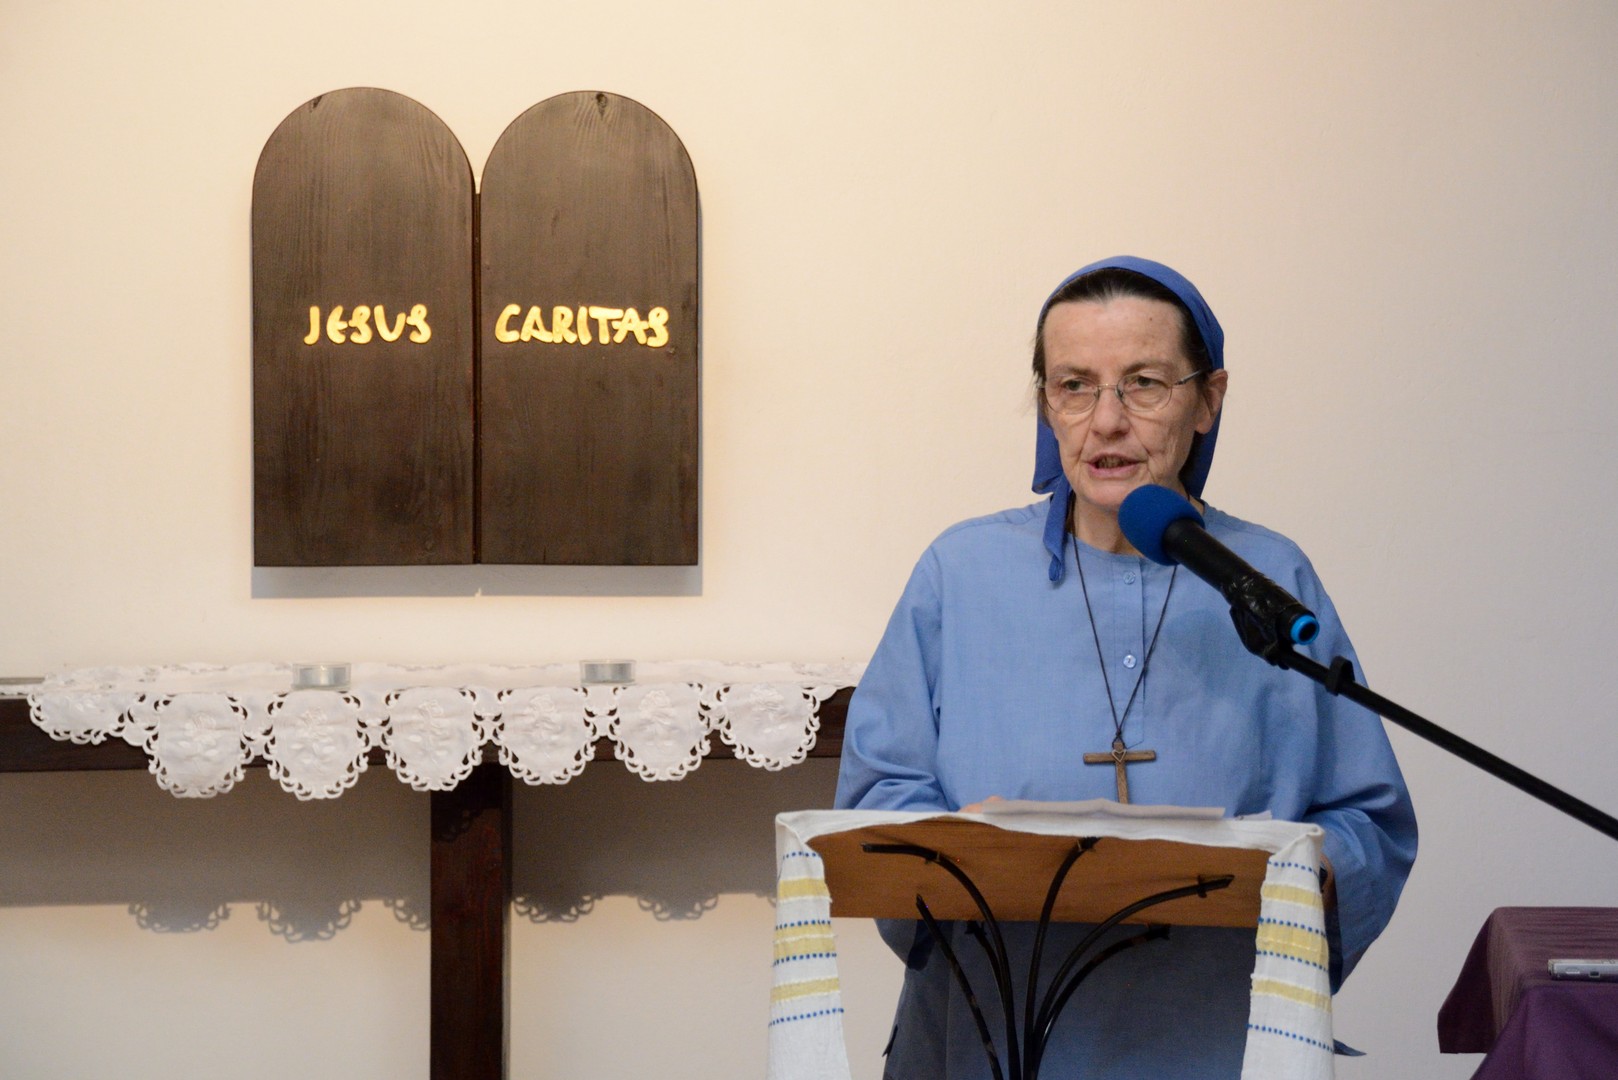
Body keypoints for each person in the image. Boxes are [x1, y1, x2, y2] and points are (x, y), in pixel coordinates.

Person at [833, 256, 1417, 1079]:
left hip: (1215, 1037)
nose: (1106, 421)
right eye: (1074, 386)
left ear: (1208, 400)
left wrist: (1303, 873)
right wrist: (967, 850)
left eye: (1144, 383)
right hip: (992, 1035)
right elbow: (876, 800)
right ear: (1047, 403)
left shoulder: (1268, 578)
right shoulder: (959, 573)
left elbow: (1368, 818)